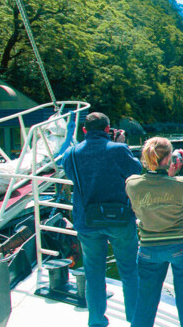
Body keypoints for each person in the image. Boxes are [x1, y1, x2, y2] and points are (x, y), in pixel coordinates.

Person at [62, 112, 141, 327]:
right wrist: (122, 145)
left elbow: (70, 175)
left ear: (84, 131)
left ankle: (96, 321)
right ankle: (134, 320)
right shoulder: (118, 149)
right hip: (120, 220)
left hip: (87, 221)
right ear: (108, 129)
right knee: (129, 271)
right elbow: (137, 171)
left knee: (94, 273)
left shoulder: (72, 153)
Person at [125, 137, 183, 327]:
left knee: (145, 302)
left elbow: (150, 183)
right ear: (169, 159)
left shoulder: (132, 184)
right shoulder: (180, 184)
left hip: (149, 247)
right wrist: (180, 174)